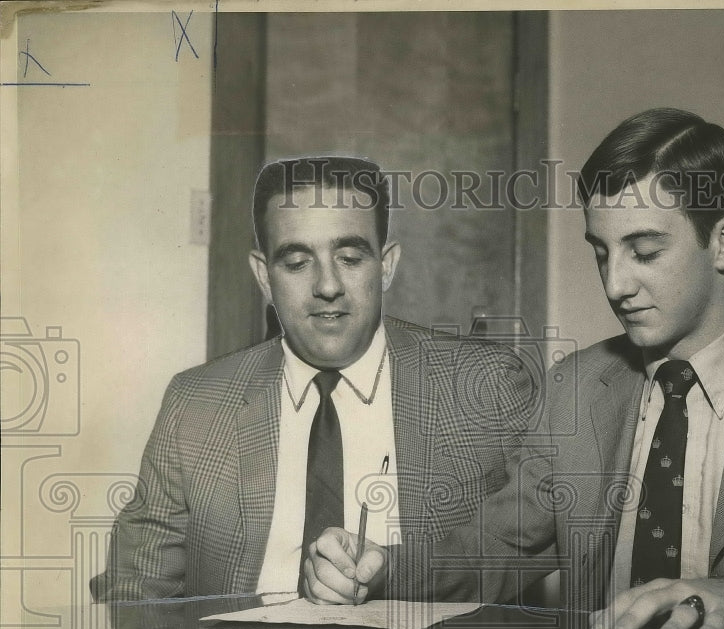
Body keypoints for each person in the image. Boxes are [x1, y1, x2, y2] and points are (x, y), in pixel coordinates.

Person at [293, 110, 724, 629]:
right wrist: (383, 570)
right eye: (601, 252)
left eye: (644, 252)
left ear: (723, 243)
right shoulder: (578, 386)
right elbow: (504, 543)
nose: (616, 284)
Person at [92, 156, 533, 602]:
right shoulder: (196, 404)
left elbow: (525, 549)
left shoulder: (485, 386)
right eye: (298, 262)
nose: (327, 285)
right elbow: (135, 586)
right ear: (264, 275)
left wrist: (395, 573)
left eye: (350, 257)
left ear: (386, 265)